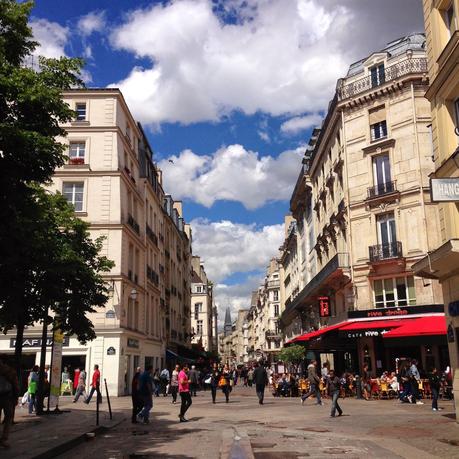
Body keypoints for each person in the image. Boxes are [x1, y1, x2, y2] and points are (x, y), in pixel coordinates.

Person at [0, 360, 19, 449]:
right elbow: (15, 385)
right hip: (7, 397)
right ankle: (4, 439)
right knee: (8, 417)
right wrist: (16, 397)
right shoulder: (9, 371)